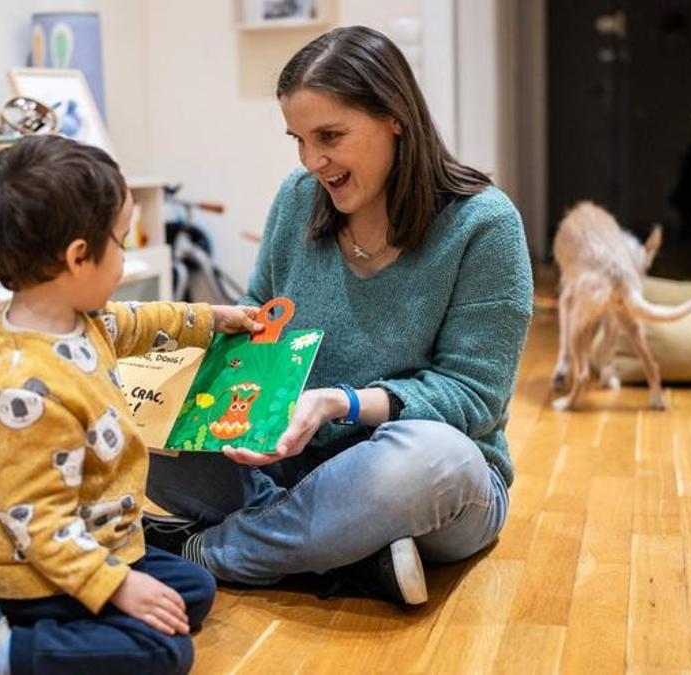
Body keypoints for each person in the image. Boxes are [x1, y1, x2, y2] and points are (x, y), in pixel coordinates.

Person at [144, 26, 533, 606]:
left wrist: (339, 402)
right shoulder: (299, 197)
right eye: (298, 139)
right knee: (135, 420)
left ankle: (211, 551)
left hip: (422, 483)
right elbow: (260, 325)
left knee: (437, 459)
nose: (312, 161)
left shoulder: (485, 226)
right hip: (291, 465)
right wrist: (194, 364)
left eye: (330, 135)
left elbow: (473, 398)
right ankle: (343, 553)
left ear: (395, 117)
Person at [0, 135, 261, 675]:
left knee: (191, 592)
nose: (126, 259)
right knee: (167, 651)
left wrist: (210, 319)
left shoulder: (79, 321)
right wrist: (118, 585)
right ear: (79, 257)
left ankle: (72, 629)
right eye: (122, 242)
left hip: (100, 538)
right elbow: (38, 525)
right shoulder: (24, 389)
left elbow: (138, 322)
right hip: (33, 569)